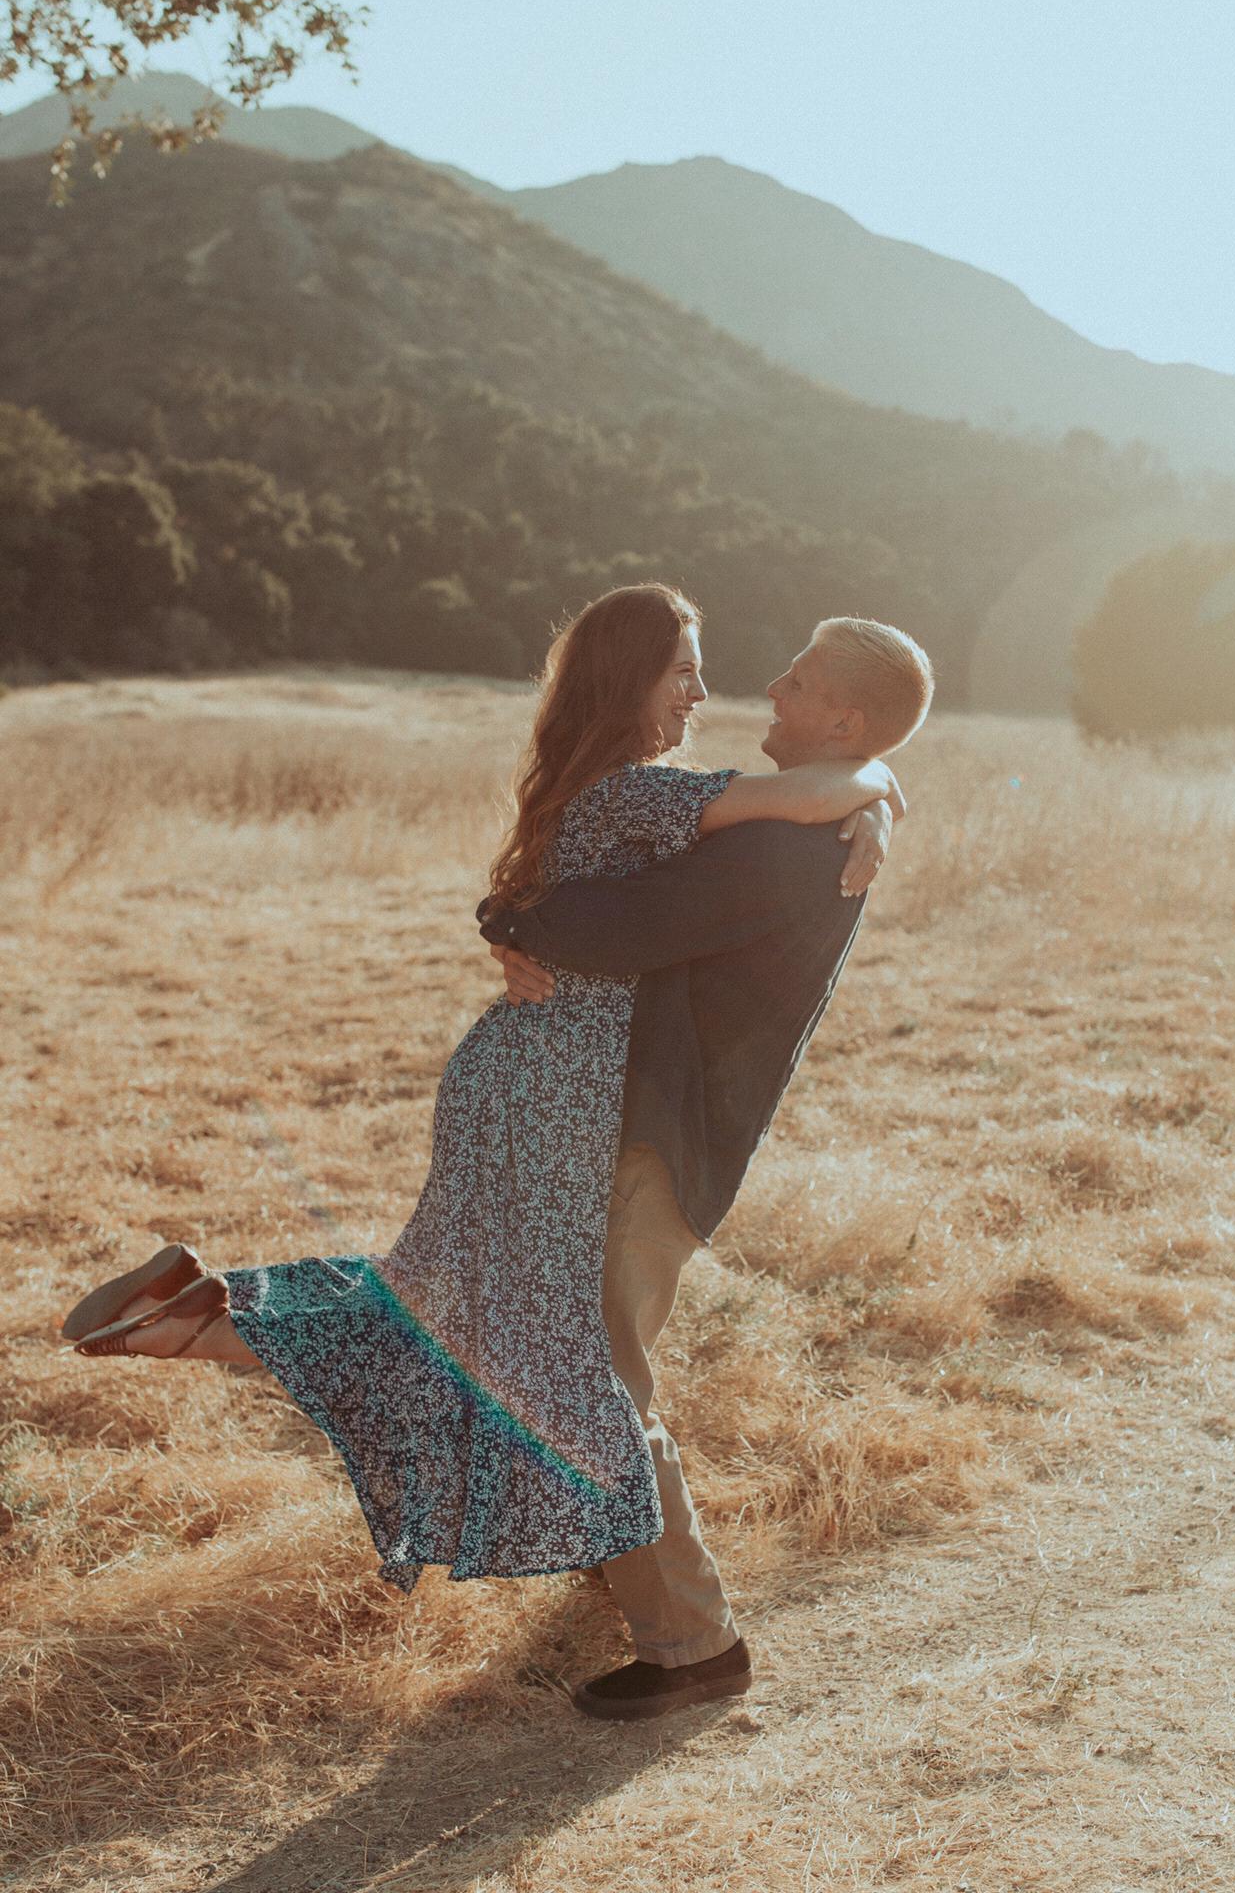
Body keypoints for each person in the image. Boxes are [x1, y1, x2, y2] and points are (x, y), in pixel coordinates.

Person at [60, 587, 902, 1618]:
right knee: (549, 1360)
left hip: (547, 1090)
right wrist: (879, 785)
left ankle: (198, 1315)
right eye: (684, 668)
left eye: (797, 680)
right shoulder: (670, 800)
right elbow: (608, 914)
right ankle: (687, 1634)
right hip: (563, 1104)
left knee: (451, 1317)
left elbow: (590, 907)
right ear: (629, 685)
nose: (731, 688)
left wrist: (876, 791)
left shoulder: (648, 799)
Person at [477, 615, 934, 1719]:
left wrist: (505, 911)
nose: (769, 685)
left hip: (659, 1133)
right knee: (593, 1364)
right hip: (648, 1123)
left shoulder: (790, 843)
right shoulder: (823, 820)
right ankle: (622, 1561)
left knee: (598, 1376)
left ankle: (695, 1647)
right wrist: (877, 788)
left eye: (801, 676)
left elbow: (611, 924)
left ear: (846, 719)